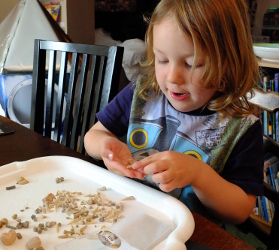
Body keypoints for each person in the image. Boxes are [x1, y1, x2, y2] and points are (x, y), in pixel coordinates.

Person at [84, 0, 264, 225]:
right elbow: (92, 136)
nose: (172, 78)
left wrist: (199, 174)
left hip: (188, 232)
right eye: (162, 60)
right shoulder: (142, 94)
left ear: (229, 63)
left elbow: (239, 211)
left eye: (192, 64)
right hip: (124, 216)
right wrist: (105, 149)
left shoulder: (241, 128)